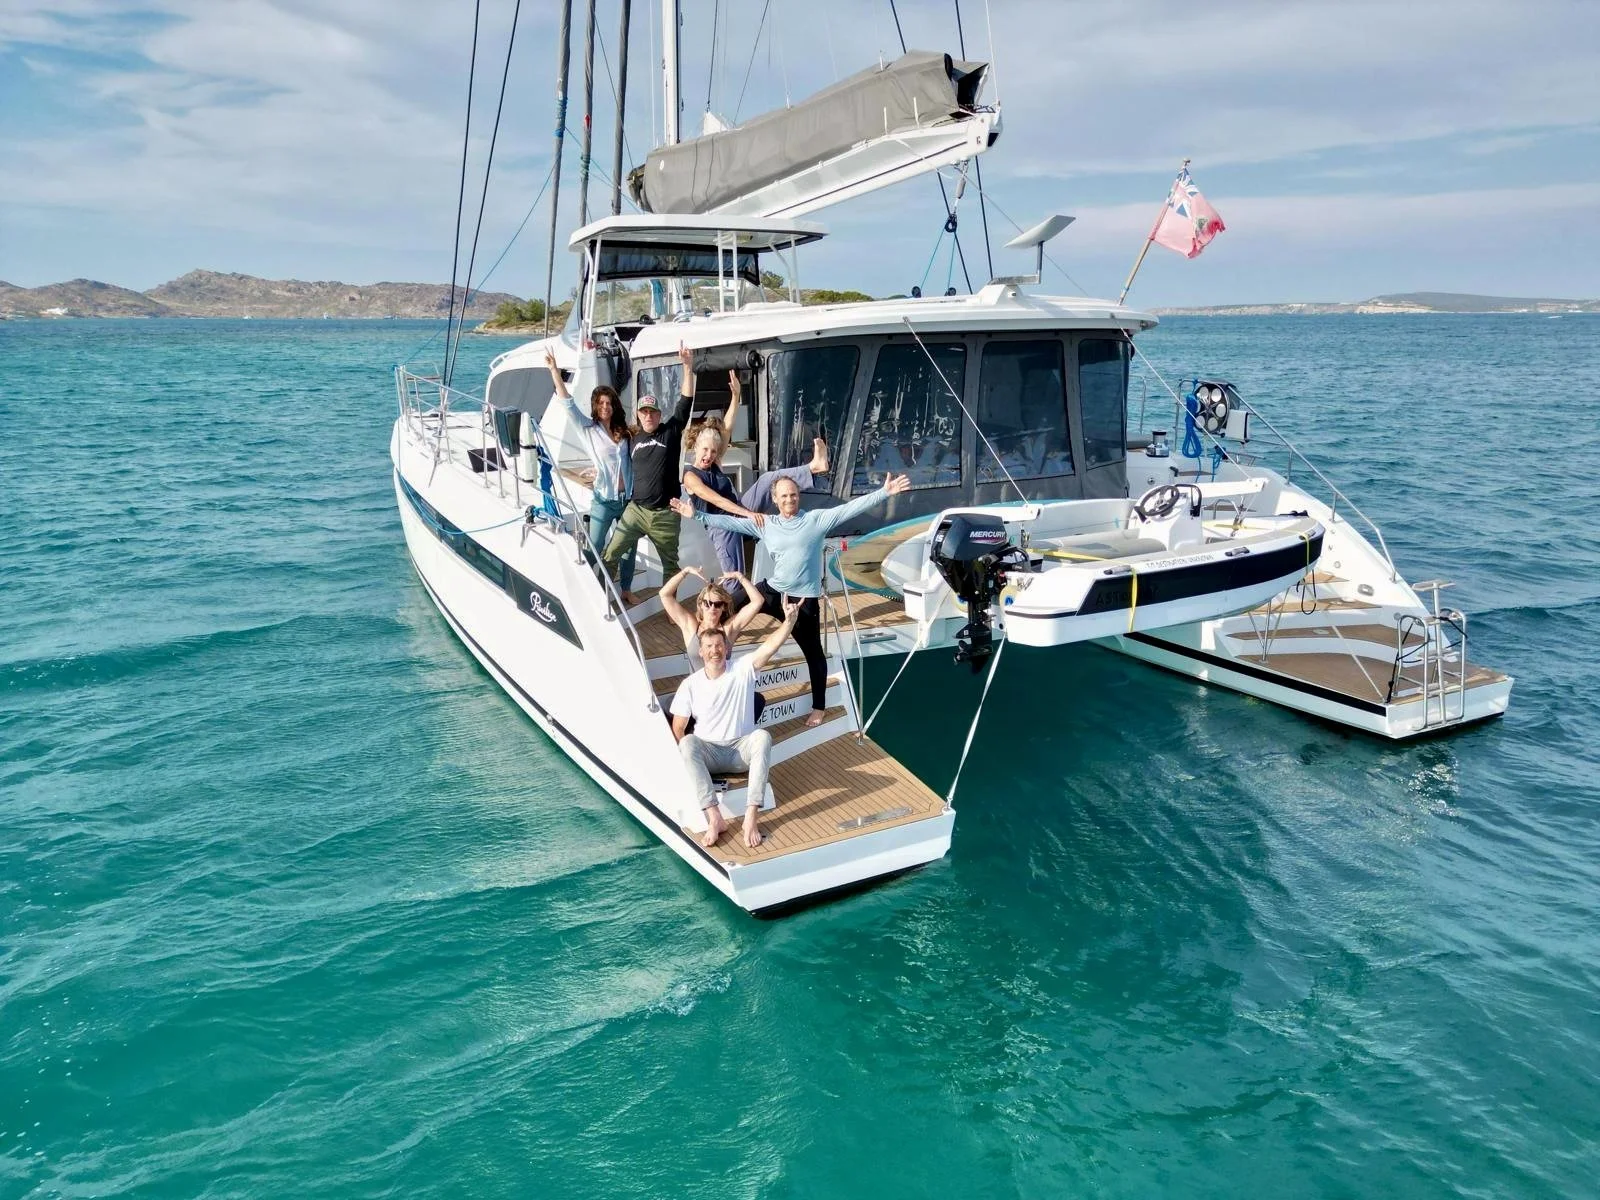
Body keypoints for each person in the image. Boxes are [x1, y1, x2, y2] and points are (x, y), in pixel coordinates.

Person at [672, 472, 912, 727]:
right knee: (727, 605)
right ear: (775, 499)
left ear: (799, 497)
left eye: (793, 495)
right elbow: (731, 523)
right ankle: (708, 658)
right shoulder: (765, 522)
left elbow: (849, 509)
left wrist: (885, 492)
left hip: (803, 601)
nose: (789, 499)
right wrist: (697, 515)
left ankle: (818, 706)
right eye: (784, 496)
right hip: (773, 590)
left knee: (814, 653)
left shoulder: (816, 520)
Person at [672, 598, 803, 849]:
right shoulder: (690, 684)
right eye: (709, 646)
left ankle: (751, 816)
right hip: (709, 751)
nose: (715, 650)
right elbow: (678, 728)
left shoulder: (742, 669)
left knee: (762, 737)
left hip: (739, 752)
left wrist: (789, 622)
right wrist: (689, 763)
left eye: (719, 645)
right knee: (687, 742)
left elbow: (769, 647)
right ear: (701, 652)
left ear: (726, 647)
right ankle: (714, 818)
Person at [680, 369, 831, 585]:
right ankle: (733, 617)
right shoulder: (690, 476)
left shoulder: (714, 462)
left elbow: (727, 428)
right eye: (705, 450)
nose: (709, 455)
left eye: (714, 451)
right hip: (722, 525)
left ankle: (814, 467)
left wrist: (735, 397)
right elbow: (716, 500)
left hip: (739, 511)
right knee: (735, 577)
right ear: (696, 447)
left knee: (768, 479)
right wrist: (748, 514)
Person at [602, 343, 697, 605]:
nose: (649, 416)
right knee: (611, 553)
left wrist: (687, 367)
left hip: (666, 514)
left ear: (659, 414)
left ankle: (670, 607)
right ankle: (603, 596)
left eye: (652, 412)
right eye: (644, 412)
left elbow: (686, 401)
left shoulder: (671, 431)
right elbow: (610, 452)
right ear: (639, 415)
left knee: (670, 565)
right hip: (636, 511)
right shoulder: (632, 437)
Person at [544, 347, 636, 590]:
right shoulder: (588, 429)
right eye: (601, 403)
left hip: (627, 500)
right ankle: (587, 587)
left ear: (615, 406)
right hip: (604, 500)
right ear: (596, 406)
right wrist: (554, 370)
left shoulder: (623, 432)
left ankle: (625, 590)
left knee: (628, 548)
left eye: (609, 402)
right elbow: (568, 405)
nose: (606, 406)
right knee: (594, 545)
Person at [660, 565, 765, 669]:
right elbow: (664, 594)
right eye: (707, 603)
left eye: (718, 604)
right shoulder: (691, 627)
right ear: (701, 604)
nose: (712, 608)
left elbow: (758, 601)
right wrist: (685, 571)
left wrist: (739, 576)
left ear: (723, 607)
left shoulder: (729, 629)